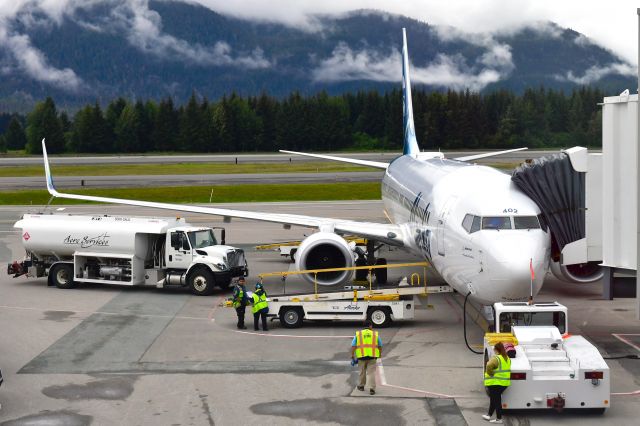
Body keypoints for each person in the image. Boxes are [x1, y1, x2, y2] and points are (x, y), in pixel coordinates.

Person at [351, 320, 382, 395]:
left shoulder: (358, 334)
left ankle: (361, 386)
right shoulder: (375, 334)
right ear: (370, 326)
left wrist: (352, 355)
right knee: (371, 373)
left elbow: (353, 346)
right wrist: (379, 354)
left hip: (361, 357)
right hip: (372, 356)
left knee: (362, 372)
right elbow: (380, 345)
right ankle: (372, 389)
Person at [483, 342, 511, 423]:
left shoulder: (496, 358)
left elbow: (488, 366)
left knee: (497, 401)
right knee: (494, 399)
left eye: (494, 349)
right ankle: (489, 415)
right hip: (504, 383)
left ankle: (499, 419)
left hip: (495, 383)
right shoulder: (507, 358)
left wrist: (490, 373)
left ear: (496, 349)